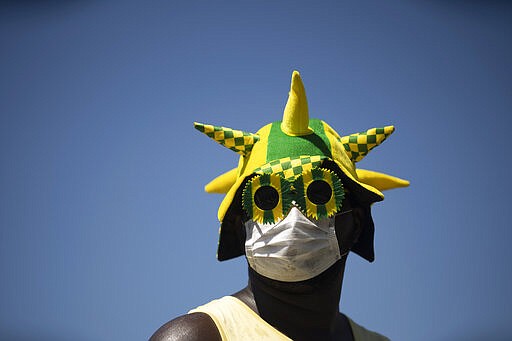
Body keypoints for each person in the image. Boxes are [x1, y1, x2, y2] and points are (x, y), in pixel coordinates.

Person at [150, 71, 409, 341]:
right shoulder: (198, 337)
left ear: (356, 222)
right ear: (240, 227)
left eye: (318, 193)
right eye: (267, 199)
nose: (293, 216)